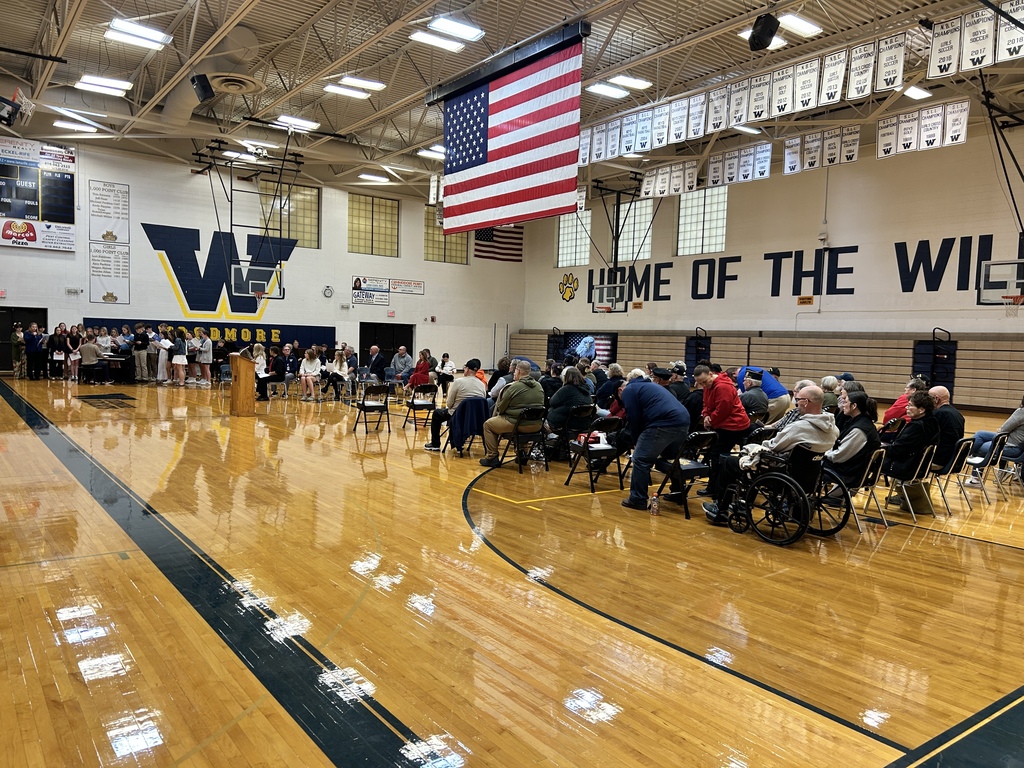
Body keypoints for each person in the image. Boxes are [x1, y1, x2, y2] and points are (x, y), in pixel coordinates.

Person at [703, 386, 839, 524]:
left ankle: (721, 509)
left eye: (797, 400)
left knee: (730, 462)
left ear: (805, 402)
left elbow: (774, 446)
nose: (796, 403)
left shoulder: (799, 427)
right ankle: (741, 504)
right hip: (808, 476)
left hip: (782, 474)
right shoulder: (833, 428)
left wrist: (753, 448)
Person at [619, 369, 691, 510]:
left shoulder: (629, 390)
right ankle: (678, 493)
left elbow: (633, 418)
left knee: (640, 460)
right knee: (672, 458)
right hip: (683, 421)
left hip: (662, 424)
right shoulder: (652, 386)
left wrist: (635, 440)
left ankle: (638, 499)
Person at [479, 360, 545, 467]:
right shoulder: (539, 386)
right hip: (536, 425)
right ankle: (522, 453)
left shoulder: (513, 387)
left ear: (518, 371)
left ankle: (492, 457)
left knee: (488, 425)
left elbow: (501, 407)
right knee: (522, 420)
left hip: (518, 424)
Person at [424, 359, 488, 451]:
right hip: (475, 418)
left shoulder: (459, 382)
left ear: (467, 369)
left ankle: (435, 444)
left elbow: (449, 404)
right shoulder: (482, 384)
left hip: (458, 415)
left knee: (436, 414)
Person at [882, 390, 940, 488]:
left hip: (906, 467)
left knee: (864, 460)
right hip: (920, 466)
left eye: (910, 405)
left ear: (921, 410)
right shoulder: (933, 421)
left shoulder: (916, 427)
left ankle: (850, 493)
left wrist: (882, 448)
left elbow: (897, 450)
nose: (906, 408)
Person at [823, 391, 881, 487]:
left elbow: (839, 456)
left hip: (848, 474)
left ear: (854, 406)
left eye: (845, 402)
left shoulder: (860, 429)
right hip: (850, 469)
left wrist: (823, 453)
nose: (842, 405)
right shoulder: (860, 421)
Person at [964, 394, 1024, 484]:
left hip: (1012, 447)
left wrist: (1001, 430)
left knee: (981, 447)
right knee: (980, 434)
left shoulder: (1021, 412)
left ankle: (974, 478)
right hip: (1016, 445)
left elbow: (1004, 429)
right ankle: (963, 455)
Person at [545, 367, 593, 438]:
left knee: (545, 419)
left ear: (565, 377)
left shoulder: (566, 389)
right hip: (584, 423)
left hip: (568, 423)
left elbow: (552, 402)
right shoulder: (586, 389)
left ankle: (552, 441)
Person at [929, 386, 965, 471]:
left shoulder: (938, 414)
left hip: (939, 461)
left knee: (899, 460)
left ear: (936, 399)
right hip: (954, 460)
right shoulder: (957, 413)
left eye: (929, 398)